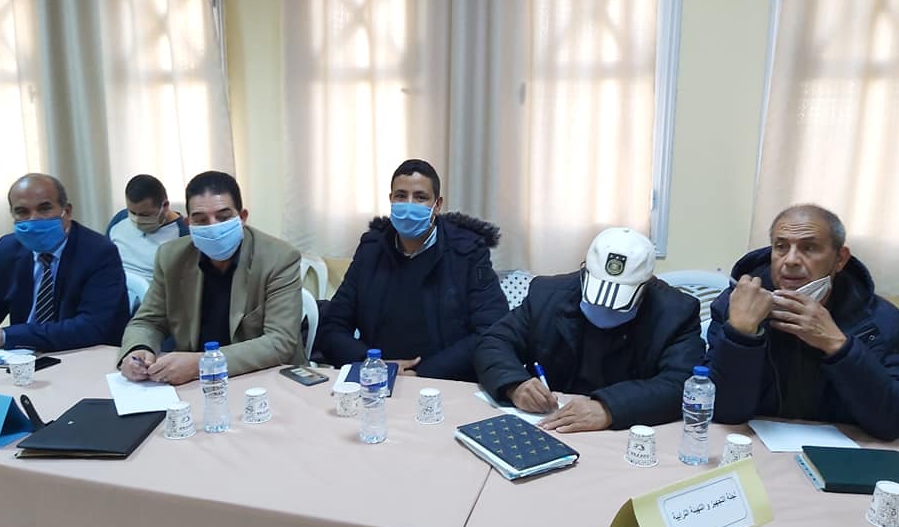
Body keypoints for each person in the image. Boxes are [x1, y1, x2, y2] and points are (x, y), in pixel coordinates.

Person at [707, 204, 899, 441]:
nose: (791, 260)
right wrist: (741, 335)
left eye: (809, 248)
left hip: (843, 448)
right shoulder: (733, 304)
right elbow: (722, 413)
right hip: (751, 443)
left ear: (840, 259)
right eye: (781, 247)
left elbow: (895, 421)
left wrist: (838, 345)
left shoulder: (878, 317)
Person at [475, 227, 704, 433]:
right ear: (584, 271)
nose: (606, 309)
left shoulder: (676, 312)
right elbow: (494, 342)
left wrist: (609, 408)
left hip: (627, 430)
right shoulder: (548, 294)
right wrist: (515, 384)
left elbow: (681, 383)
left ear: (646, 285)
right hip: (550, 422)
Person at [316, 159, 508, 382]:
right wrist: (373, 364)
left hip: (446, 381)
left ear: (437, 205)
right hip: (378, 381)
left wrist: (423, 373)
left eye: (420, 197)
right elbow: (333, 326)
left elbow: (490, 329)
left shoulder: (467, 253)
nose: (409, 205)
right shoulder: (371, 250)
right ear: (390, 200)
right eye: (401, 196)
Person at [117, 171, 305, 385]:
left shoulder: (279, 258)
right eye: (201, 220)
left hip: (262, 379)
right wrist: (139, 349)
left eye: (223, 218)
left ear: (242, 217)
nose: (213, 226)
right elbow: (148, 321)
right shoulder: (171, 257)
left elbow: (280, 342)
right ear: (188, 223)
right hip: (192, 384)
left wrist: (203, 364)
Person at [0, 173, 129, 352]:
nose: (34, 219)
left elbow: (90, 327)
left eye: (44, 209)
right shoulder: (9, 248)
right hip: (23, 356)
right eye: (22, 212)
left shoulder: (99, 252)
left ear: (67, 211)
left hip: (83, 352)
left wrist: (6, 336)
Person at [106, 174, 189, 284]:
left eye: (145, 215)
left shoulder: (183, 236)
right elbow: (104, 258)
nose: (137, 219)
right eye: (132, 212)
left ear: (165, 206)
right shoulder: (121, 218)